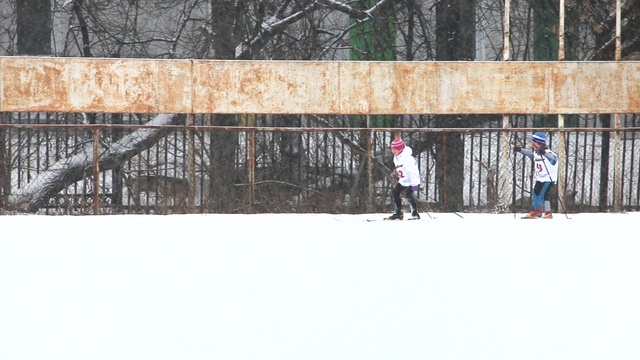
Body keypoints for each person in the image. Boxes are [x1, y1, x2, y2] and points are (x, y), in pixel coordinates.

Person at [514, 132, 559, 219]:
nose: (533, 145)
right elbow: (530, 154)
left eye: (534, 143)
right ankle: (542, 211)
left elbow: (553, 158)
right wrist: (520, 150)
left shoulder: (549, 153)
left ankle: (543, 212)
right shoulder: (536, 153)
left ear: (540, 143)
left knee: (540, 195)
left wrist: (543, 153)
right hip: (541, 178)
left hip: (548, 179)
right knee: (539, 195)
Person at [386, 138, 421, 220]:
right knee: (395, 193)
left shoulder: (407, 158)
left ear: (400, 149)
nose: (393, 151)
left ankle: (415, 213)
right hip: (403, 181)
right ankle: (398, 213)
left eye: (395, 149)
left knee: (409, 195)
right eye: (392, 149)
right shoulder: (396, 158)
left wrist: (415, 184)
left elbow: (414, 172)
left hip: (410, 181)